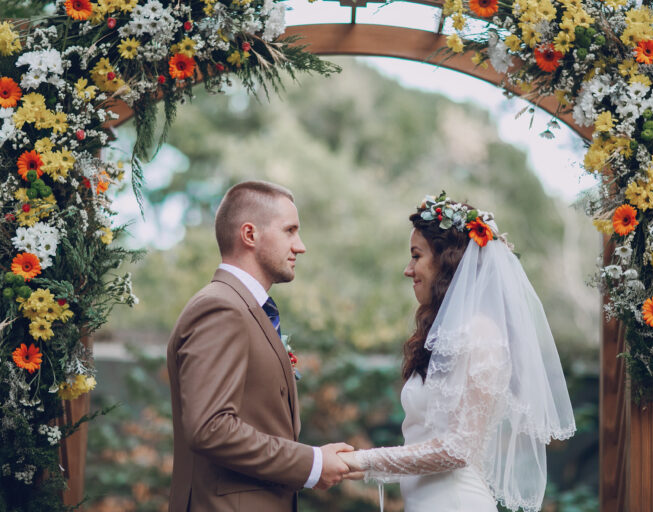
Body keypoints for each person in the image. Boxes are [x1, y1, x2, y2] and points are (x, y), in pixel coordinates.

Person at [339, 192, 576, 512]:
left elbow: (456, 449)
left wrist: (361, 460)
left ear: (447, 261)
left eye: (416, 255)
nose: (408, 269)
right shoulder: (449, 333)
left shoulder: (480, 333)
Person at [166, 180, 352, 512]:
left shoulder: (244, 308)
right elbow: (210, 427)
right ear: (250, 235)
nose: (301, 246)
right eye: (290, 231)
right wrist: (312, 463)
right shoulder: (221, 308)